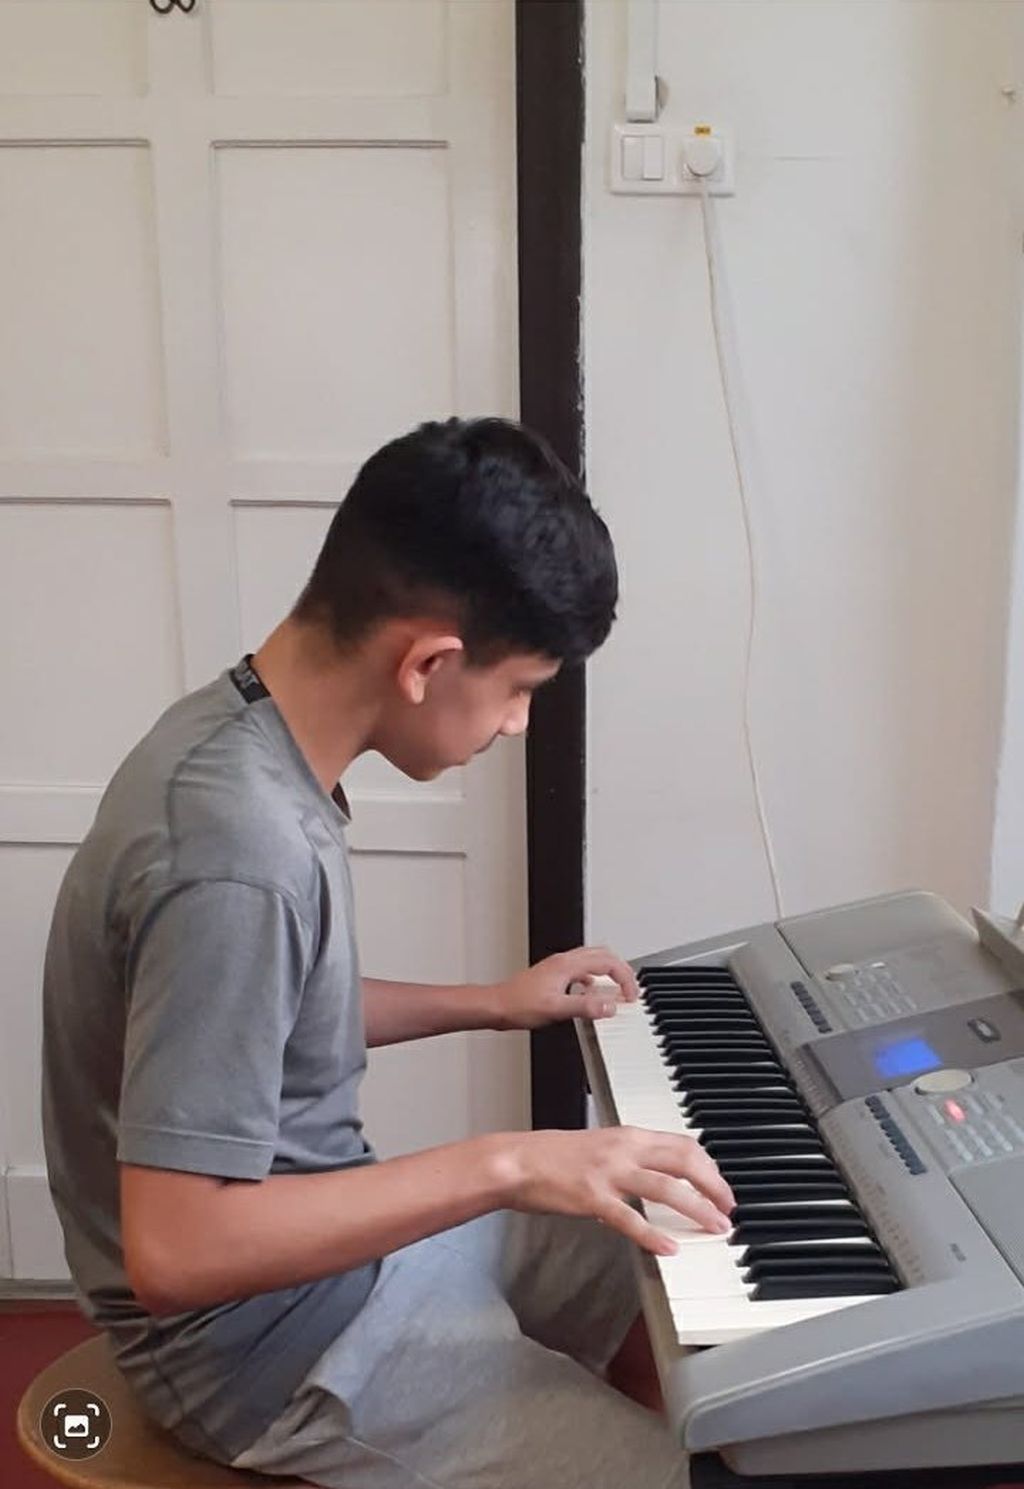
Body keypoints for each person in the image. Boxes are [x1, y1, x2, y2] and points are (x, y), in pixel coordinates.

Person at [41, 417, 734, 1489]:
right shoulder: (237, 847)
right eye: (519, 689)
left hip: (337, 1267)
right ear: (428, 664)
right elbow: (176, 1254)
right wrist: (510, 1161)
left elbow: (256, 1010)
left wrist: (494, 1000)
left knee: (667, 1222)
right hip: (263, 1352)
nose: (516, 724)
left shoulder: (238, 734)